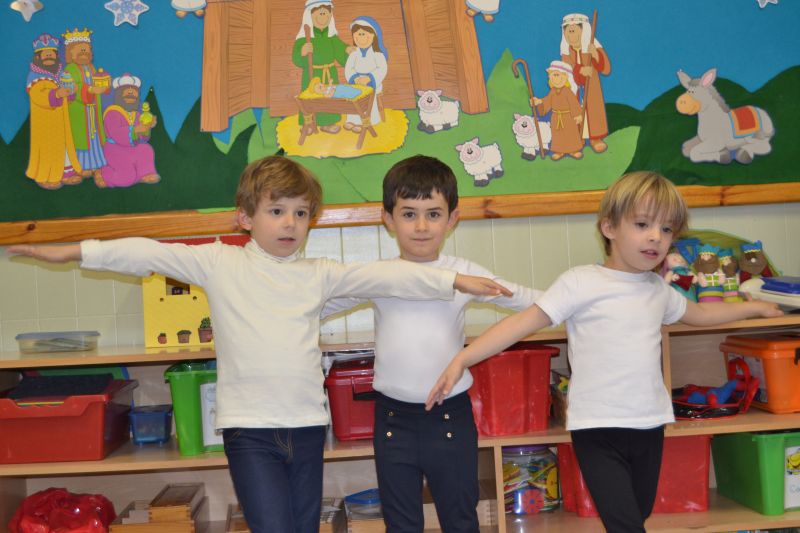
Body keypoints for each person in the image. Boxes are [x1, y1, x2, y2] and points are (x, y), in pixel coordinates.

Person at [9, 156, 511, 533]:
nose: (290, 223)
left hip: (307, 427)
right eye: (276, 210)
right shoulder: (219, 263)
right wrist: (75, 252)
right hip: (250, 431)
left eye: (300, 213)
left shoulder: (319, 274)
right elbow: (146, 253)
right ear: (245, 217)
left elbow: (389, 276)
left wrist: (453, 281)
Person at [426, 171, 782, 533]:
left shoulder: (657, 289)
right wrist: (463, 359)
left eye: (666, 229)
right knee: (625, 525)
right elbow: (520, 324)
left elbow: (702, 314)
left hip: (648, 423)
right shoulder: (580, 282)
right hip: (596, 427)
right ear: (609, 227)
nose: (656, 237)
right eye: (642, 224)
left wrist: (754, 307)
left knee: (638, 513)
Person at [323, 155, 542, 532]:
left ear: (452, 218)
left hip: (449, 417)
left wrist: (585, 301)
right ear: (388, 218)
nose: (422, 226)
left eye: (433, 214)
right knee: (401, 524)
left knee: (460, 520)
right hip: (392, 420)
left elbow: (533, 302)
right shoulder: (380, 275)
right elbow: (318, 305)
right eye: (409, 214)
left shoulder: (466, 273)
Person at [25, 32, 82, 190]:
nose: (49, 56)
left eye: (52, 54)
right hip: (45, 122)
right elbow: (37, 95)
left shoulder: (60, 74)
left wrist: (70, 92)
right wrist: (56, 94)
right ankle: (47, 176)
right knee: (48, 148)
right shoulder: (35, 76)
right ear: (38, 57)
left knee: (64, 147)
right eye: (46, 54)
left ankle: (66, 173)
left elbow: (67, 95)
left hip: (61, 120)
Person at [292, 0, 353, 134]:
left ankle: (329, 123)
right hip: (311, 75)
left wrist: (347, 50)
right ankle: (308, 123)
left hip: (330, 74)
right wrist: (302, 51)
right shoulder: (304, 38)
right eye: (320, 13)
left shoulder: (331, 37)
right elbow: (296, 58)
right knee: (310, 98)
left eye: (326, 13)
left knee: (329, 98)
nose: (324, 17)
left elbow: (340, 49)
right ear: (310, 15)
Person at [62, 27, 110, 187]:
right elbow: (73, 87)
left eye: (88, 50)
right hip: (79, 112)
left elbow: (97, 82)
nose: (85, 52)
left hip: (93, 111)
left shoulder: (91, 67)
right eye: (81, 49)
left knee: (94, 138)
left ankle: (97, 166)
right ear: (71, 53)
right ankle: (80, 167)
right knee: (80, 139)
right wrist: (90, 90)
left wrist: (102, 85)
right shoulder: (70, 69)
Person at [560, 12, 611, 153]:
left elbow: (606, 69)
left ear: (583, 31)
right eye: (567, 31)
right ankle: (577, 138)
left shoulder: (593, 47)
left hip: (592, 87)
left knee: (593, 110)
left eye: (573, 31)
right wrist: (580, 70)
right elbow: (566, 69)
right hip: (574, 89)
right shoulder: (566, 51)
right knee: (574, 111)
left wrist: (596, 55)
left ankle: (595, 138)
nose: (570, 35)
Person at [100, 73, 160, 187]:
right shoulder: (112, 112)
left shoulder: (136, 114)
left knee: (146, 149)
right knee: (127, 178)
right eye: (127, 91)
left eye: (134, 92)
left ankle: (145, 174)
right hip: (115, 150)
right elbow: (115, 133)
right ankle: (104, 173)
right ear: (119, 94)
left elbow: (143, 139)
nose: (131, 94)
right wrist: (136, 130)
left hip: (131, 148)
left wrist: (146, 128)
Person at [343, 16, 388, 133]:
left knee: (367, 97)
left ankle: (366, 121)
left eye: (363, 34)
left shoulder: (378, 54)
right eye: (357, 35)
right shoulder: (354, 54)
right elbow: (349, 68)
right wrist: (354, 78)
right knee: (352, 95)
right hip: (356, 82)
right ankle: (352, 120)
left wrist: (369, 78)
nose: (360, 38)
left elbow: (382, 69)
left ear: (373, 36)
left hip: (372, 83)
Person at [531, 61, 583, 160]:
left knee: (570, 134)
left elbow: (574, 104)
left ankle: (573, 150)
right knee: (558, 135)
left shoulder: (568, 92)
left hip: (568, 117)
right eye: (551, 76)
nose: (553, 78)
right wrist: (539, 102)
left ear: (565, 77)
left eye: (556, 75)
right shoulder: (552, 91)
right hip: (556, 117)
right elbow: (547, 101)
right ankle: (559, 151)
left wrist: (578, 115)